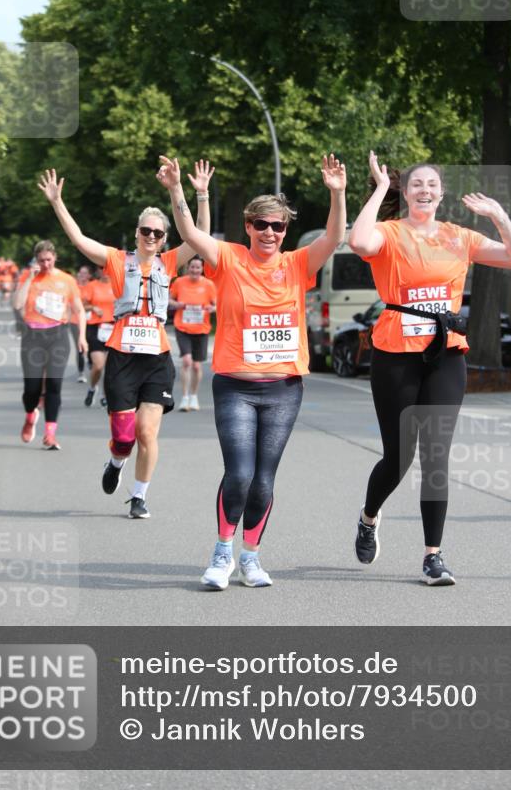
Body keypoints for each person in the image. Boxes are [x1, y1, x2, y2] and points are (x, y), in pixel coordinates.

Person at [157, 153, 346, 590]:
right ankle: (223, 552)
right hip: (236, 388)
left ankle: (252, 557)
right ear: (248, 226)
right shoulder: (227, 258)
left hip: (283, 388)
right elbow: (189, 232)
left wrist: (336, 193)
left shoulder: (298, 265)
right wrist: (176, 189)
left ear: (285, 232)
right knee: (239, 473)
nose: (269, 232)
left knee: (264, 478)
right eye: (261, 224)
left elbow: (335, 236)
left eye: (277, 226)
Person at [348, 153, 511, 585]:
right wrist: (379, 190)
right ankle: (368, 517)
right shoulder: (389, 234)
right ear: (406, 193)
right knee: (399, 458)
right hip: (396, 354)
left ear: (441, 193)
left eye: (432, 185)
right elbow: (358, 242)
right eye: (416, 185)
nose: (424, 191)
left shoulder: (458, 236)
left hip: (446, 354)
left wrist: (500, 214)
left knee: (435, 457)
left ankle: (433, 556)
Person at [38, 161, 214, 519]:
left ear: (164, 238)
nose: (152, 237)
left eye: (158, 233)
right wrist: (57, 202)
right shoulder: (118, 261)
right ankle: (116, 461)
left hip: (156, 359)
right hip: (122, 355)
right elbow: (79, 239)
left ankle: (139, 496)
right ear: (136, 233)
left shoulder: (170, 261)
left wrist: (199, 194)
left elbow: (201, 235)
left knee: (148, 433)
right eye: (146, 231)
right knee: (125, 437)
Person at [13, 240, 87, 450]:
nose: (45, 264)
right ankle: (30, 415)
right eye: (41, 260)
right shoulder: (29, 277)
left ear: (55, 258)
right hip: (33, 336)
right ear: (36, 260)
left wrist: (82, 337)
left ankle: (50, 434)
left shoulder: (66, 280)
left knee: (54, 385)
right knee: (32, 389)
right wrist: (30, 278)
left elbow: (79, 310)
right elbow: (18, 304)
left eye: (48, 259)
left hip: (58, 335)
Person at [170, 255, 217, 411]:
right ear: (188, 268)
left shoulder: (209, 285)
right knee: (187, 362)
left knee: (197, 366)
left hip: (201, 329)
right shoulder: (179, 282)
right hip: (182, 327)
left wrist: (212, 308)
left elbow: (216, 304)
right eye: (192, 267)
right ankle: (184, 398)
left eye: (198, 267)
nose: (195, 270)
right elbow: (169, 300)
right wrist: (177, 304)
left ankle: (194, 396)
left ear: (202, 269)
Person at [82, 266, 115, 408]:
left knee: (109, 366)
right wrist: (93, 307)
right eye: (103, 269)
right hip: (95, 327)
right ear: (99, 271)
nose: (106, 272)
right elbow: (82, 305)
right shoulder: (91, 286)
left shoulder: (118, 285)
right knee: (98, 365)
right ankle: (92, 388)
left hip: (113, 327)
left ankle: (105, 394)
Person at [72, 265, 93, 382]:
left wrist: (89, 307)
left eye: (85, 273)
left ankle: (91, 363)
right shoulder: (74, 287)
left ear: (89, 275)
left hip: (91, 320)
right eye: (80, 273)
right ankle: (81, 373)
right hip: (75, 320)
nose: (82, 275)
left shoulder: (93, 286)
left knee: (90, 344)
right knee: (79, 345)